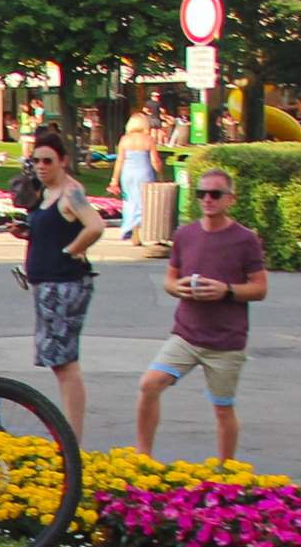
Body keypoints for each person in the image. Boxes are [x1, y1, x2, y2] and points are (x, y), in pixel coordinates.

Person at [135, 166, 266, 464]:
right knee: (149, 384)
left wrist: (226, 291)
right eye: (201, 194)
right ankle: (142, 458)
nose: (207, 199)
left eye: (215, 194)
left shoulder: (245, 239)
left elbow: (259, 288)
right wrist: (178, 288)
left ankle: (226, 472)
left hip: (226, 341)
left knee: (222, 408)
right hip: (186, 334)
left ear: (230, 198)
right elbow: (170, 280)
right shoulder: (185, 234)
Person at [20, 126, 105, 440]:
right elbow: (54, 229)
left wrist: (73, 249)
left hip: (66, 284)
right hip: (47, 283)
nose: (41, 166)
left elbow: (95, 226)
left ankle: (73, 438)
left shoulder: (71, 192)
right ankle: (69, 436)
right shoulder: (47, 193)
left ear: (63, 161)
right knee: (59, 362)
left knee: (65, 362)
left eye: (48, 161)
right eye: (37, 161)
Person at [112, 106, 162, 241]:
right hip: (144, 172)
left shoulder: (124, 139)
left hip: (127, 174)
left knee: (129, 200)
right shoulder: (148, 139)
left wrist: (114, 179)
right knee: (143, 201)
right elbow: (155, 161)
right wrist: (160, 174)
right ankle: (138, 225)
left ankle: (128, 226)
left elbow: (120, 160)